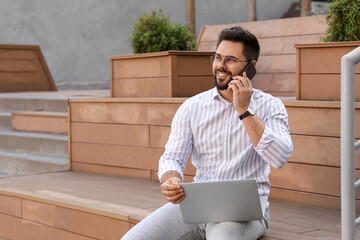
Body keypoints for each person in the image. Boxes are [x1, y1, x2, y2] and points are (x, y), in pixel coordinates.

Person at [121, 26, 293, 240]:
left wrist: (244, 111)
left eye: (230, 59)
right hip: (196, 205)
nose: (220, 65)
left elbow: (279, 157)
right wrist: (170, 179)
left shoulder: (270, 106)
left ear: (251, 66)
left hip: (245, 213)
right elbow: (172, 157)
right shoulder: (192, 107)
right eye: (217, 57)